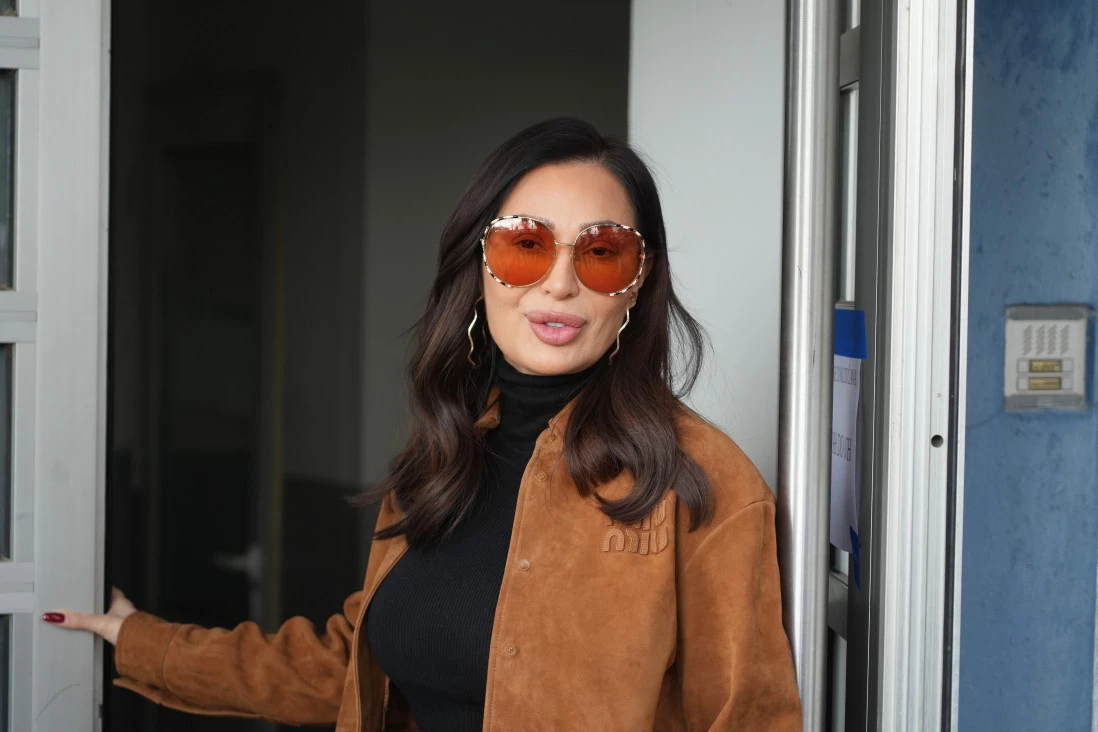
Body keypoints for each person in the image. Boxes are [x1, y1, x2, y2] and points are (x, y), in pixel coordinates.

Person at [44, 118, 802, 731]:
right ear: (479, 264)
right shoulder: (446, 455)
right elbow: (354, 667)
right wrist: (144, 643)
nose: (560, 283)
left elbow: (750, 720)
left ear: (636, 281)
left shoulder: (703, 481)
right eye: (526, 245)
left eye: (602, 252)